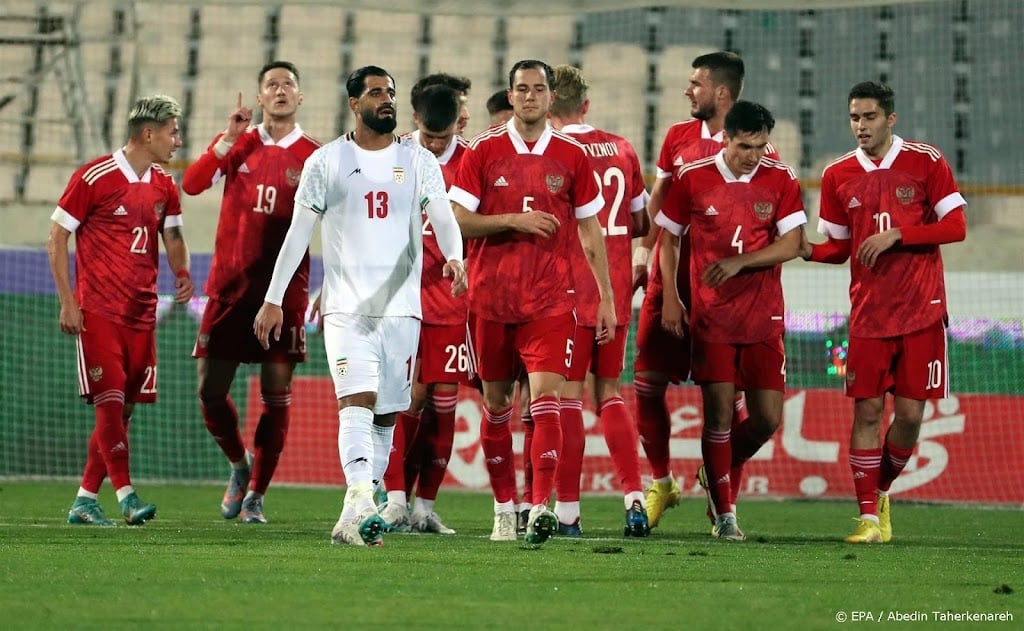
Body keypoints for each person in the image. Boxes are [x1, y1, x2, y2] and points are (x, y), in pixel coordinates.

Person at [254, 65, 466, 547]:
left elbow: (443, 217)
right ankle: (361, 498)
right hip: (347, 309)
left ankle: (353, 513)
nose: (386, 99)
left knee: (388, 415)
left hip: (404, 311)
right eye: (376, 93)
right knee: (357, 401)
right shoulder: (326, 161)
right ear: (354, 103)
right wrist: (273, 299)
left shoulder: (417, 161)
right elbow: (296, 236)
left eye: (390, 92)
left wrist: (454, 257)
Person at [450, 59, 615, 544]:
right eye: (521, 89)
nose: (529, 97)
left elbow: (590, 229)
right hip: (492, 300)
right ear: (510, 94)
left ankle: (541, 506)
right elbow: (458, 219)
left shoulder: (572, 155)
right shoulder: (483, 149)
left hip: (551, 301)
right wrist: (513, 222)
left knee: (547, 400)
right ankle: (505, 508)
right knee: (497, 407)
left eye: (538, 89)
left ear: (549, 96)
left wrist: (603, 296)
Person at [802, 81, 967, 544]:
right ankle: (868, 519)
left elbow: (956, 226)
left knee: (911, 416)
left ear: (890, 119)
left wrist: (899, 234)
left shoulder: (927, 161)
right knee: (868, 412)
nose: (861, 126)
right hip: (869, 316)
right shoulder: (836, 174)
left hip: (923, 310)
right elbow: (838, 248)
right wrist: (805, 251)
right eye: (854, 117)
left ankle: (881, 491)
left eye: (870, 117)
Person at [655, 100, 806, 540]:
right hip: (713, 317)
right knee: (719, 414)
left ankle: (714, 467)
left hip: (763, 317)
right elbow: (669, 240)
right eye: (744, 146)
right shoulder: (693, 177)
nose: (752, 155)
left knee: (766, 420)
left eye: (760, 146)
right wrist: (672, 299)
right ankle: (725, 516)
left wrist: (743, 262)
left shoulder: (781, 179)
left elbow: (794, 242)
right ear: (726, 137)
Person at [633, 51, 768, 529]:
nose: (689, 91)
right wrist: (643, 257)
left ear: (722, 93)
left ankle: (720, 489)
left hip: (722, 285)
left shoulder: (757, 146)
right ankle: (662, 482)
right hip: (671, 272)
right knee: (647, 383)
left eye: (696, 84)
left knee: (727, 400)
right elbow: (660, 202)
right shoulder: (677, 137)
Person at [182, 61, 320, 525]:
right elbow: (193, 183)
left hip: (284, 296)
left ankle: (257, 495)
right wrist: (228, 137)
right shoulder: (240, 146)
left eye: (288, 85)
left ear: (300, 97)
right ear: (260, 98)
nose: (280, 90)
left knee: (276, 394)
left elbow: (339, 224)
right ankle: (240, 466)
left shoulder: (314, 156)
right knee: (209, 390)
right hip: (229, 290)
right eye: (271, 85)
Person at [48, 94, 194, 526]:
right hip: (98, 312)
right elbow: (56, 237)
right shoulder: (95, 176)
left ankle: (84, 499)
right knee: (109, 406)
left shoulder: (164, 184)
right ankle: (127, 496)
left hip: (141, 315)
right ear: (148, 134)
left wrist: (181, 272)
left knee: (123, 411)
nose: (178, 140)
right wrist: (68, 302)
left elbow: (173, 234)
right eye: (173, 132)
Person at [547, 63, 651, 538]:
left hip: (569, 291)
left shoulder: (555, 151)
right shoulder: (623, 148)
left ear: (549, 105)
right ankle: (634, 497)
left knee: (567, 400)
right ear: (586, 105)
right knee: (609, 393)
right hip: (617, 288)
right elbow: (643, 221)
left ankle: (568, 512)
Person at [378, 83, 469, 535]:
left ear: (459, 123)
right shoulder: (396, 158)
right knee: (406, 396)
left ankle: (424, 507)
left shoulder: (472, 159)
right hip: (404, 295)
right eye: (428, 137)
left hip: (453, 296)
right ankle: (394, 498)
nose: (434, 146)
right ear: (415, 120)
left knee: (444, 403)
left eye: (443, 137)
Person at [410, 72, 472, 137]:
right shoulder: (400, 145)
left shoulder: (472, 146)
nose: (466, 115)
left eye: (464, 104)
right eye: (453, 106)